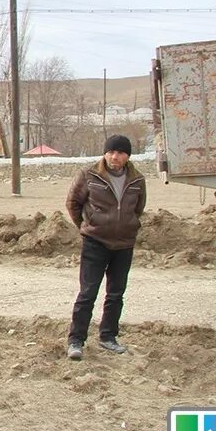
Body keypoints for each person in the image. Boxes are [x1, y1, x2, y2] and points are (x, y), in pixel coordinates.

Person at [65, 134, 146, 360]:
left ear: (127, 156)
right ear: (105, 153)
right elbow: (73, 203)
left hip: (123, 244)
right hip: (95, 242)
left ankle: (108, 337)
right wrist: (86, 226)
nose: (114, 157)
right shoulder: (89, 175)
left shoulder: (137, 180)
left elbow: (138, 209)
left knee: (116, 294)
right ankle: (76, 340)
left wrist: (128, 226)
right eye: (110, 152)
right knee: (88, 293)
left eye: (120, 153)